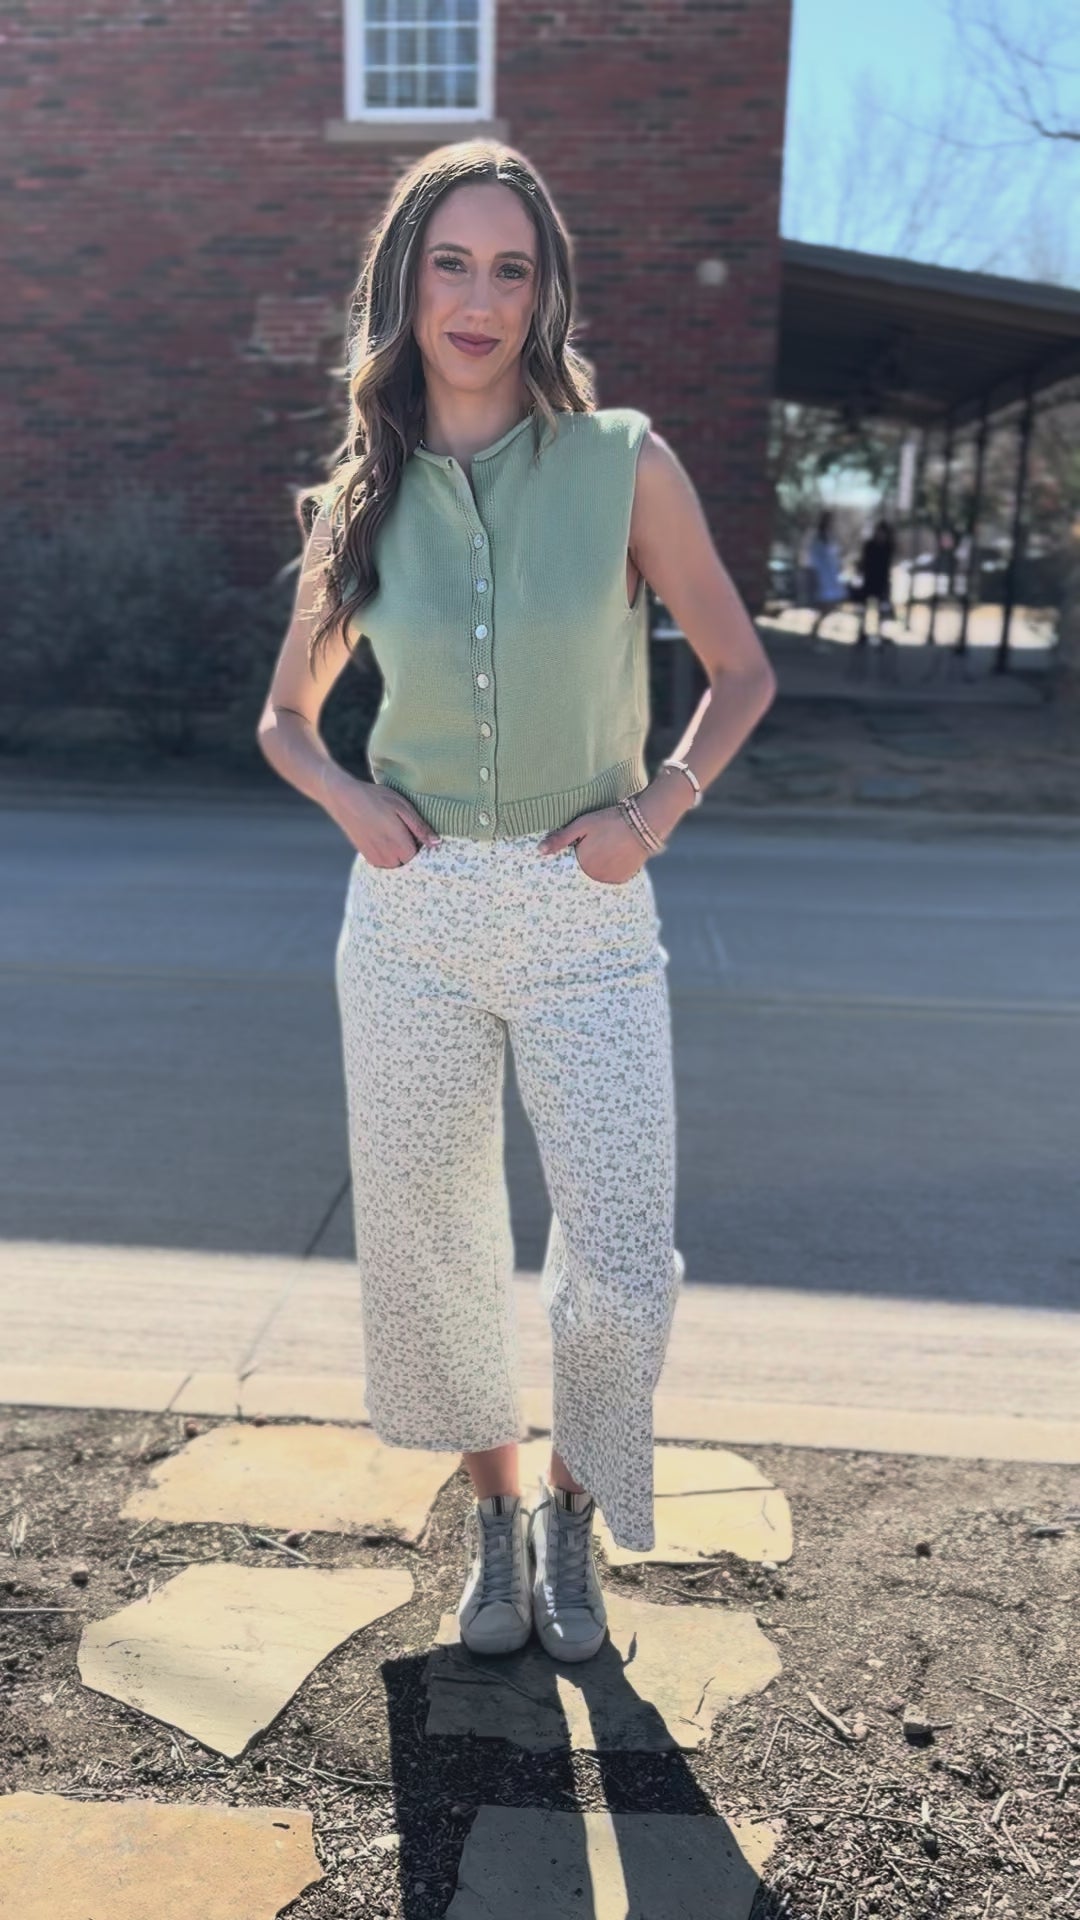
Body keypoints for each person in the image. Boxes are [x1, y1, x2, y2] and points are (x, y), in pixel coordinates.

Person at [255, 142, 776, 1665]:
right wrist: (356, 805)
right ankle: (491, 1519)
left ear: (545, 292)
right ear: (404, 282)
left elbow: (741, 670)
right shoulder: (360, 495)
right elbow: (287, 718)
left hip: (585, 911)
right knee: (433, 1244)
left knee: (618, 1260)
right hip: (410, 920)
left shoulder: (622, 459)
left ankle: (573, 1510)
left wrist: (656, 809)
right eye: (449, 265)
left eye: (511, 268)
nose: (478, 301)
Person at [806, 509, 847, 636]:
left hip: (831, 575)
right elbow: (815, 557)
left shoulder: (830, 537)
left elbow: (834, 555)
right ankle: (815, 631)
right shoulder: (818, 537)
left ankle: (816, 630)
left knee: (830, 605)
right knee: (824, 605)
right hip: (823, 575)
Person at [856, 517, 895, 642]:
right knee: (864, 608)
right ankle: (861, 632)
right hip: (869, 580)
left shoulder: (888, 547)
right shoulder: (870, 545)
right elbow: (863, 562)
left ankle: (879, 632)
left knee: (881, 609)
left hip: (882, 581)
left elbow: (888, 565)